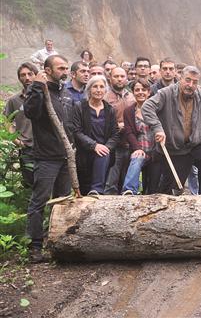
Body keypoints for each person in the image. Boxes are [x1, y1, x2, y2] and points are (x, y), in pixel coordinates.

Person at [23, 55, 73, 262]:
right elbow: (31, 112)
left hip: (66, 156)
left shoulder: (64, 91)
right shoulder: (39, 89)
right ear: (48, 70)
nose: (65, 71)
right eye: (60, 68)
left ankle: (58, 243)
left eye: (66, 68)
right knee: (39, 201)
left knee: (63, 201)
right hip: (46, 157)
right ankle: (35, 247)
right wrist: (36, 86)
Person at [142, 66, 201, 195]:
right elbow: (147, 107)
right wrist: (157, 128)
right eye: (187, 80)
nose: (190, 85)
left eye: (194, 82)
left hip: (194, 145)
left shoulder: (200, 95)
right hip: (174, 149)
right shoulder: (165, 93)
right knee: (173, 188)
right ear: (180, 79)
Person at [71, 75, 121, 196]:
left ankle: (96, 190)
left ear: (105, 90)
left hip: (103, 154)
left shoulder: (110, 110)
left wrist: (106, 147)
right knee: (83, 190)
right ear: (89, 89)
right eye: (95, 87)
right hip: (85, 153)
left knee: (103, 154)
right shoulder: (80, 107)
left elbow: (115, 134)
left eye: (101, 87)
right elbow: (76, 131)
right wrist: (94, 146)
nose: (98, 90)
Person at [121, 79, 159, 195]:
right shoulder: (128, 111)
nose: (140, 92)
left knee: (152, 189)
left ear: (149, 92)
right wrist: (137, 148)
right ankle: (129, 190)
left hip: (155, 151)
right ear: (133, 92)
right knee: (136, 159)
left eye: (144, 90)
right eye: (137, 90)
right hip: (139, 149)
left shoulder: (157, 109)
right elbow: (129, 133)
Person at [4, 63, 38, 188]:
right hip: (27, 147)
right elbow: (7, 121)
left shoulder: (46, 97)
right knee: (29, 182)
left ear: (36, 75)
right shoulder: (14, 100)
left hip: (46, 147)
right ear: (19, 78)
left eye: (30, 74)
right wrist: (16, 139)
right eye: (23, 75)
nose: (27, 77)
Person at [102, 67, 135, 194]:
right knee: (111, 181)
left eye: (122, 76)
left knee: (126, 181)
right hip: (113, 145)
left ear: (126, 78)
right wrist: (117, 125)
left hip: (130, 143)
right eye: (116, 76)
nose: (119, 79)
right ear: (110, 78)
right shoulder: (105, 97)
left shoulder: (131, 96)